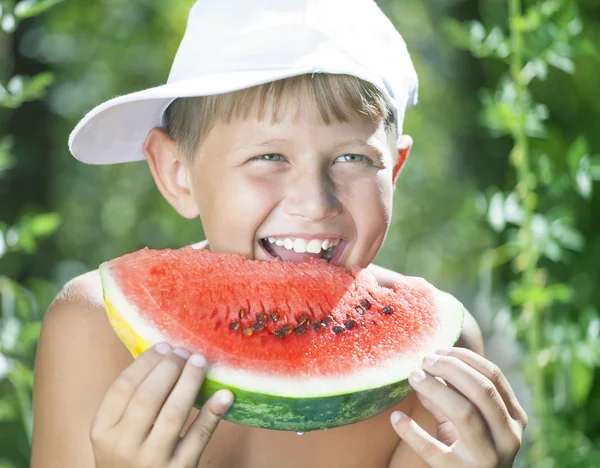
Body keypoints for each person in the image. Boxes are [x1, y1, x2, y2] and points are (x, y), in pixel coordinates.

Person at [31, 0, 527, 466]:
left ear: (393, 171)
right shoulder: (94, 327)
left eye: (352, 157)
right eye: (269, 157)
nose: (314, 203)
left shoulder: (438, 361)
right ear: (177, 172)